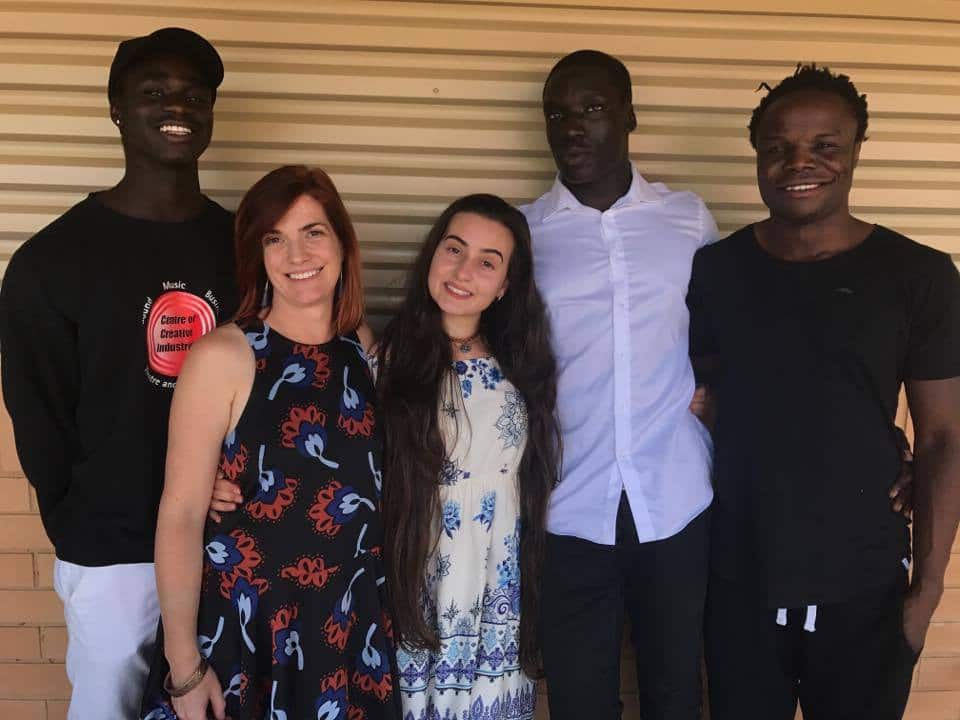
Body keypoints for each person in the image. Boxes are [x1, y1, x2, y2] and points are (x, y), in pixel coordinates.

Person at [688, 64, 960, 720]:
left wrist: (924, 597)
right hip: (739, 581)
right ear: (758, 156)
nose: (799, 162)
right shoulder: (716, 270)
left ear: (857, 149)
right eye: (778, 147)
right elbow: (706, 399)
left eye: (825, 145)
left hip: (864, 591)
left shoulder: (918, 275)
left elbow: (946, 436)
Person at [0, 28, 234, 719]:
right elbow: (37, 412)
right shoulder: (52, 260)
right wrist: (79, 524)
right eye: (154, 91)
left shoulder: (246, 245)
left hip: (231, 541)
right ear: (115, 109)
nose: (178, 105)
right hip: (111, 553)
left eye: (195, 93)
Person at [140, 165, 399, 720]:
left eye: (313, 232)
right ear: (258, 254)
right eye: (274, 238)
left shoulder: (362, 350)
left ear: (342, 243)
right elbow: (181, 513)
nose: (296, 254)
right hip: (246, 632)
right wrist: (183, 666)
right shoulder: (225, 356)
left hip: (343, 629)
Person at [520, 50, 717, 720]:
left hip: (677, 502)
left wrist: (717, 394)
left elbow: (722, 331)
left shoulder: (687, 219)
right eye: (557, 113)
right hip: (568, 510)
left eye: (593, 108)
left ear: (630, 116)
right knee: (580, 702)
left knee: (675, 695)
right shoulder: (523, 233)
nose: (572, 126)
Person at [377, 194, 560, 720]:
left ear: (505, 286)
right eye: (453, 250)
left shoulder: (522, 365)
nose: (463, 272)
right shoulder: (382, 360)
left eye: (487, 262)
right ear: (432, 255)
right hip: (413, 579)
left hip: (497, 586)